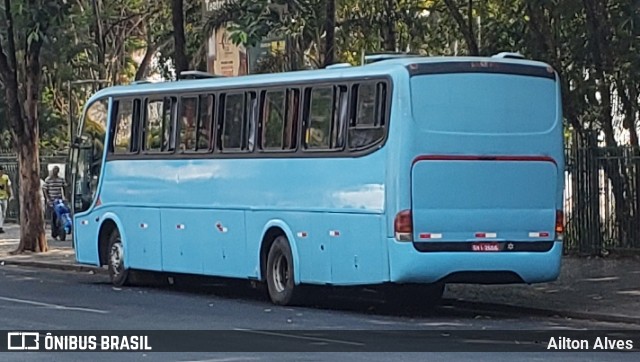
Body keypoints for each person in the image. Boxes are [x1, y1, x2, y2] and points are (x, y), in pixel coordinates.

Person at [43, 166, 67, 239]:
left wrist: (65, 197)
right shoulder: (48, 180)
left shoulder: (61, 179)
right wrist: (48, 199)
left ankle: (61, 230)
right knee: (53, 216)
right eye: (54, 170)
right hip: (52, 201)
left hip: (59, 200)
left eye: (57, 171)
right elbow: (45, 190)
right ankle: (54, 233)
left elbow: (64, 187)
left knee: (62, 215)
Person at [0, 166, 14, 234]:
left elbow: (9, 186)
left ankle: (1, 226)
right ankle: (0, 227)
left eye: (2, 172)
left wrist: (11, 195)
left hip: (4, 197)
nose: (1, 173)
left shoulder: (5, 177)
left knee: (3, 213)